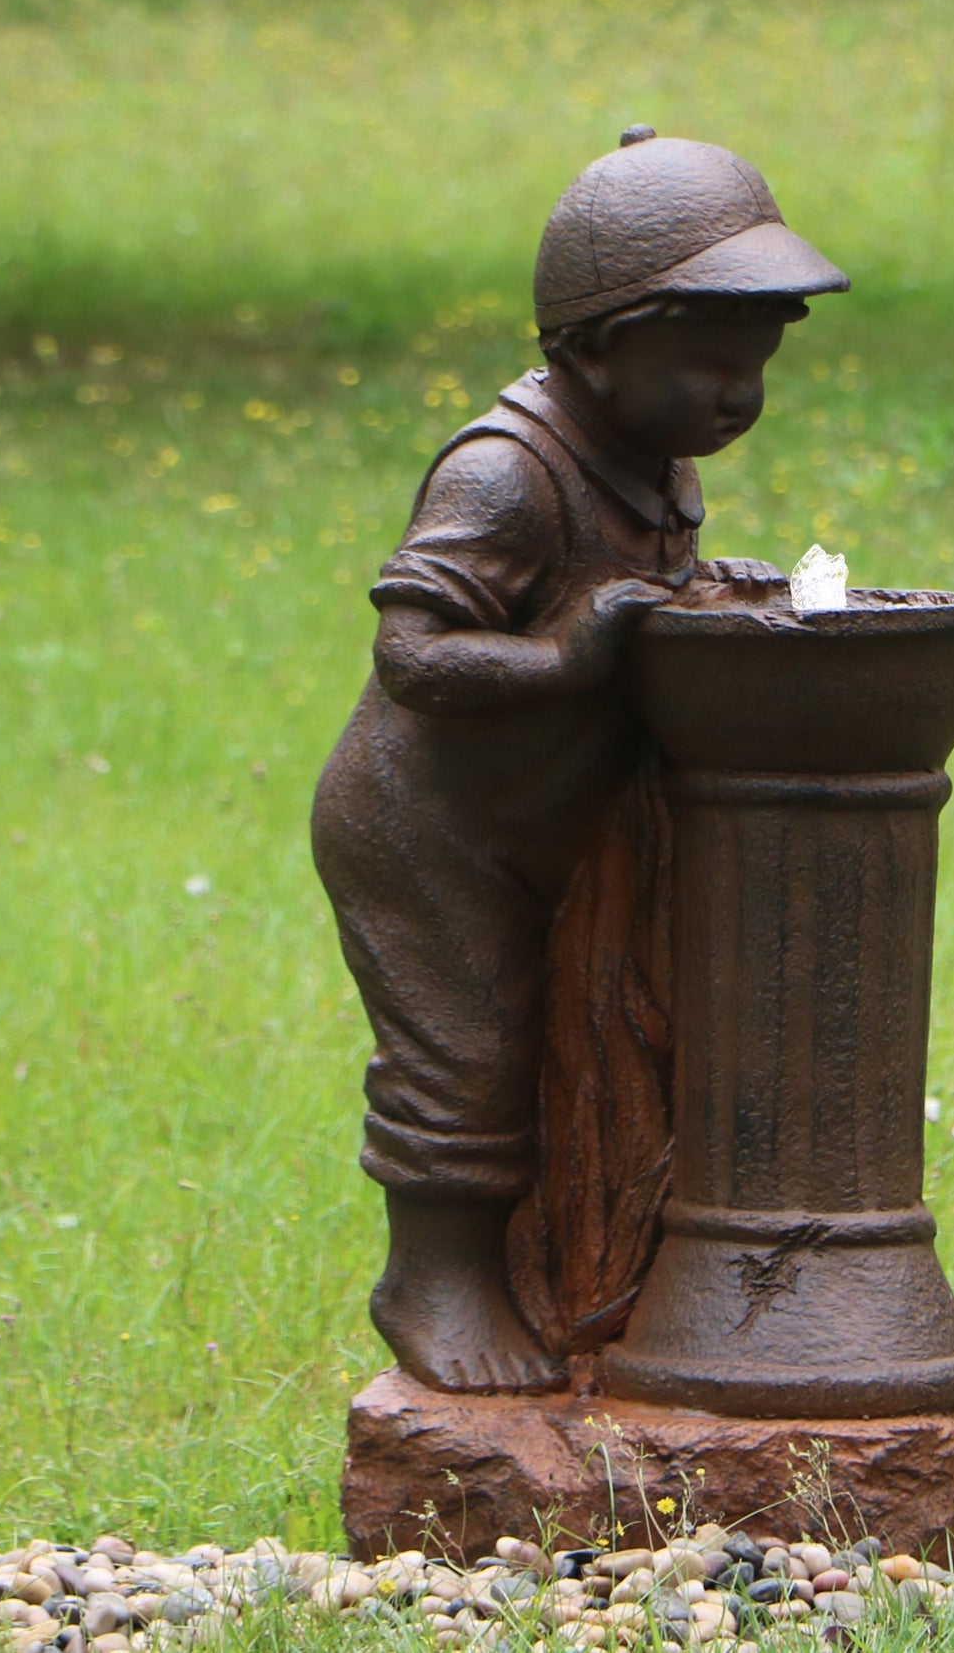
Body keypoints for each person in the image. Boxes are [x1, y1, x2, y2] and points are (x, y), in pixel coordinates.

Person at [311, 128, 847, 1393]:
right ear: (594, 345)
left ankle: (574, 1278)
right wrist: (561, 659)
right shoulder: (505, 474)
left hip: (542, 819)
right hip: (428, 829)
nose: (737, 395)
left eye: (757, 362)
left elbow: (629, 591)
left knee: (585, 1043)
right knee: (470, 1053)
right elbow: (415, 656)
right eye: (709, 359)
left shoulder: (649, 458)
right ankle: (431, 1280)